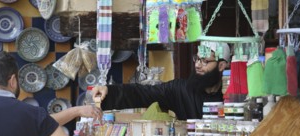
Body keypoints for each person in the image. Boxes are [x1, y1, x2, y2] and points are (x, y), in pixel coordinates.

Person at [92, 41, 230, 120]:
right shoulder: (181, 90)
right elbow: (143, 93)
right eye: (197, 59)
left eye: (205, 61)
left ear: (221, 66)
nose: (198, 65)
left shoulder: (233, 96)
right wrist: (109, 91)